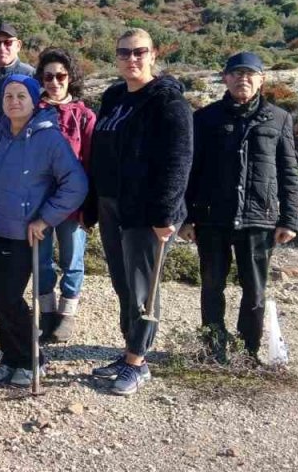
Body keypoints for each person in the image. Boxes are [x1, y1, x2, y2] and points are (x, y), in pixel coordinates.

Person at [83, 28, 193, 396]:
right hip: (113, 205)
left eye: (139, 52)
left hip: (146, 211)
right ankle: (130, 349)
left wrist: (165, 217)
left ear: (154, 55)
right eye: (124, 53)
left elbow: (178, 162)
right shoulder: (115, 97)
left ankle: (137, 362)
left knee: (144, 288)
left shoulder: (168, 102)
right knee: (122, 284)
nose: (131, 59)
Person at [180, 51, 298, 362]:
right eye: (236, 73)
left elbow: (288, 171)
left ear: (261, 80)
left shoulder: (279, 118)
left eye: (250, 74)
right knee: (211, 287)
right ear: (225, 78)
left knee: (255, 291)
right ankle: (213, 349)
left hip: (258, 219)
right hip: (211, 218)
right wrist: (186, 217)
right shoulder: (204, 118)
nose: (242, 79)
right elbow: (190, 171)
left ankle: (248, 352)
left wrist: (290, 219)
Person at [0, 75, 88, 387]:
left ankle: (32, 357)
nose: (13, 101)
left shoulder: (48, 138)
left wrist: (45, 219)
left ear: (34, 100)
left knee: (11, 297)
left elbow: (75, 184)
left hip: (21, 233)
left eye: (21, 96)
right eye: (8, 96)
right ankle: (9, 356)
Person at [34, 48, 97, 343]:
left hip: (72, 204)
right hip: (38, 202)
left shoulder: (84, 116)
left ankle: (67, 313)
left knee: (72, 258)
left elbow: (90, 160)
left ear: (70, 78)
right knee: (42, 259)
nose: (55, 82)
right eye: (48, 76)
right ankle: (46, 312)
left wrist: (89, 207)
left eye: (60, 76)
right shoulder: (33, 112)